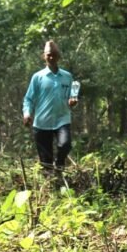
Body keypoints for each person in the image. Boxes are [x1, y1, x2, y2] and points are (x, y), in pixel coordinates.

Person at [23, 40, 78, 174]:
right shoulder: (38, 77)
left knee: (65, 145)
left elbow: (73, 94)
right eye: (49, 55)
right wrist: (27, 113)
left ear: (59, 56)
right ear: (44, 56)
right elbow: (28, 98)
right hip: (42, 122)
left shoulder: (67, 76)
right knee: (45, 162)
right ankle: (51, 186)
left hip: (62, 119)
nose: (51, 57)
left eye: (54, 54)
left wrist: (73, 100)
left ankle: (59, 166)